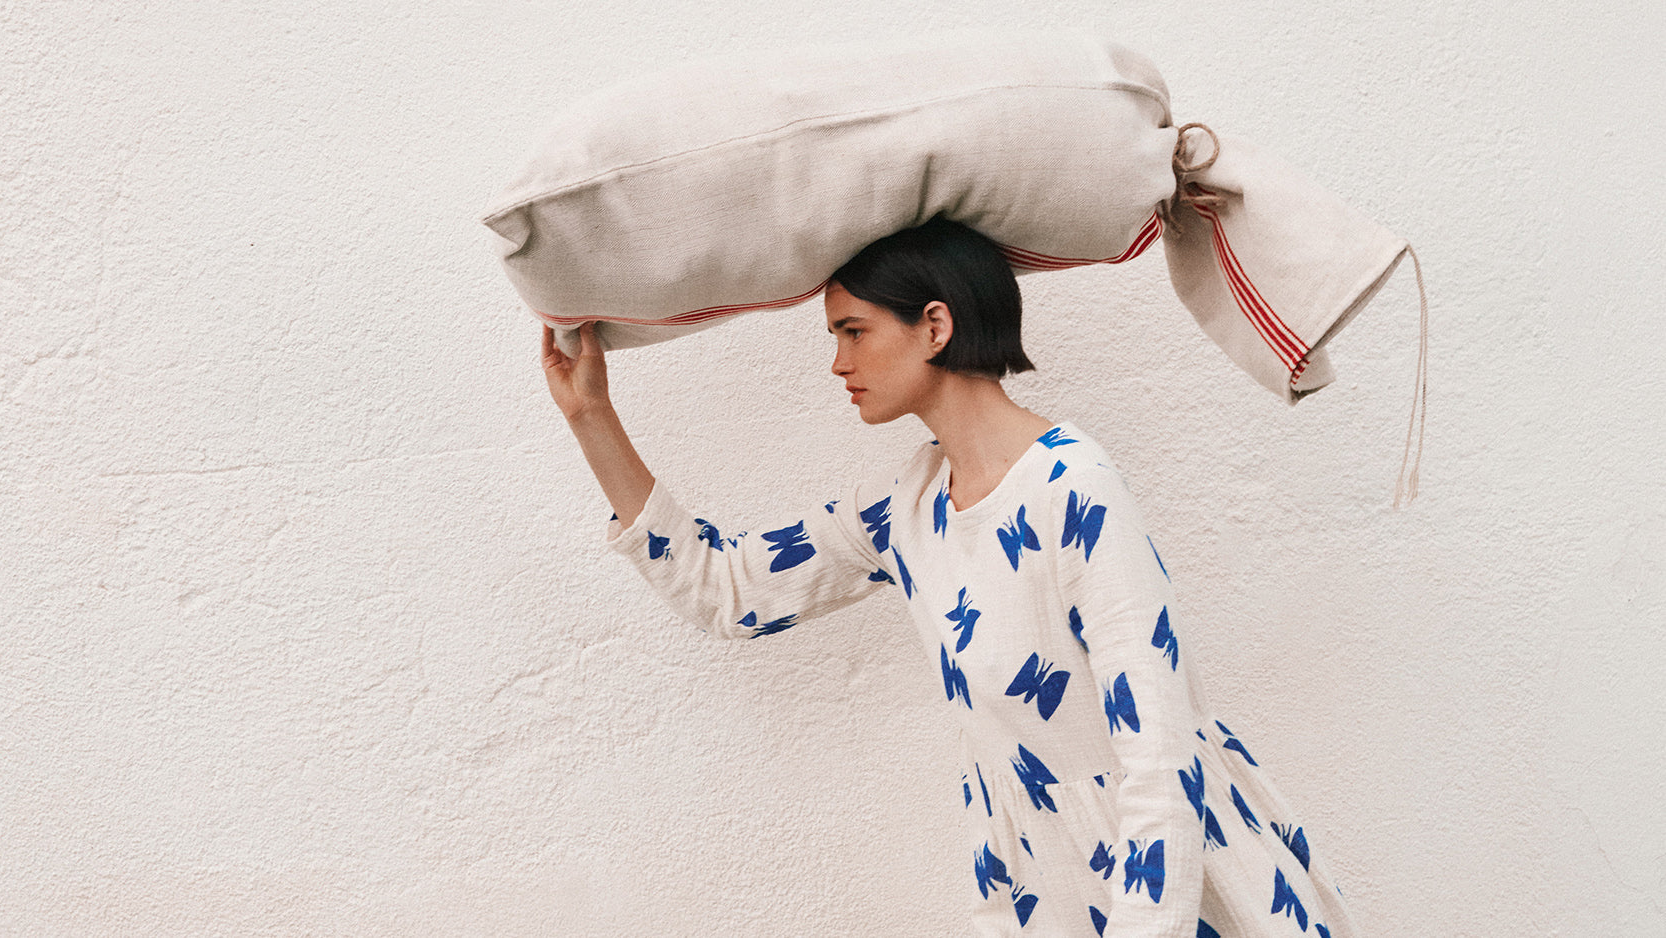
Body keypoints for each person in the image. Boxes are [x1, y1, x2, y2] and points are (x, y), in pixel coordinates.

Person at [540, 217, 1356, 938]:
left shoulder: (1072, 486)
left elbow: (1158, 749)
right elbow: (730, 591)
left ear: (934, 325)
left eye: (852, 331)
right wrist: (590, 417)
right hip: (1043, 894)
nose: (836, 363)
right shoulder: (907, 506)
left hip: (1174, 889)